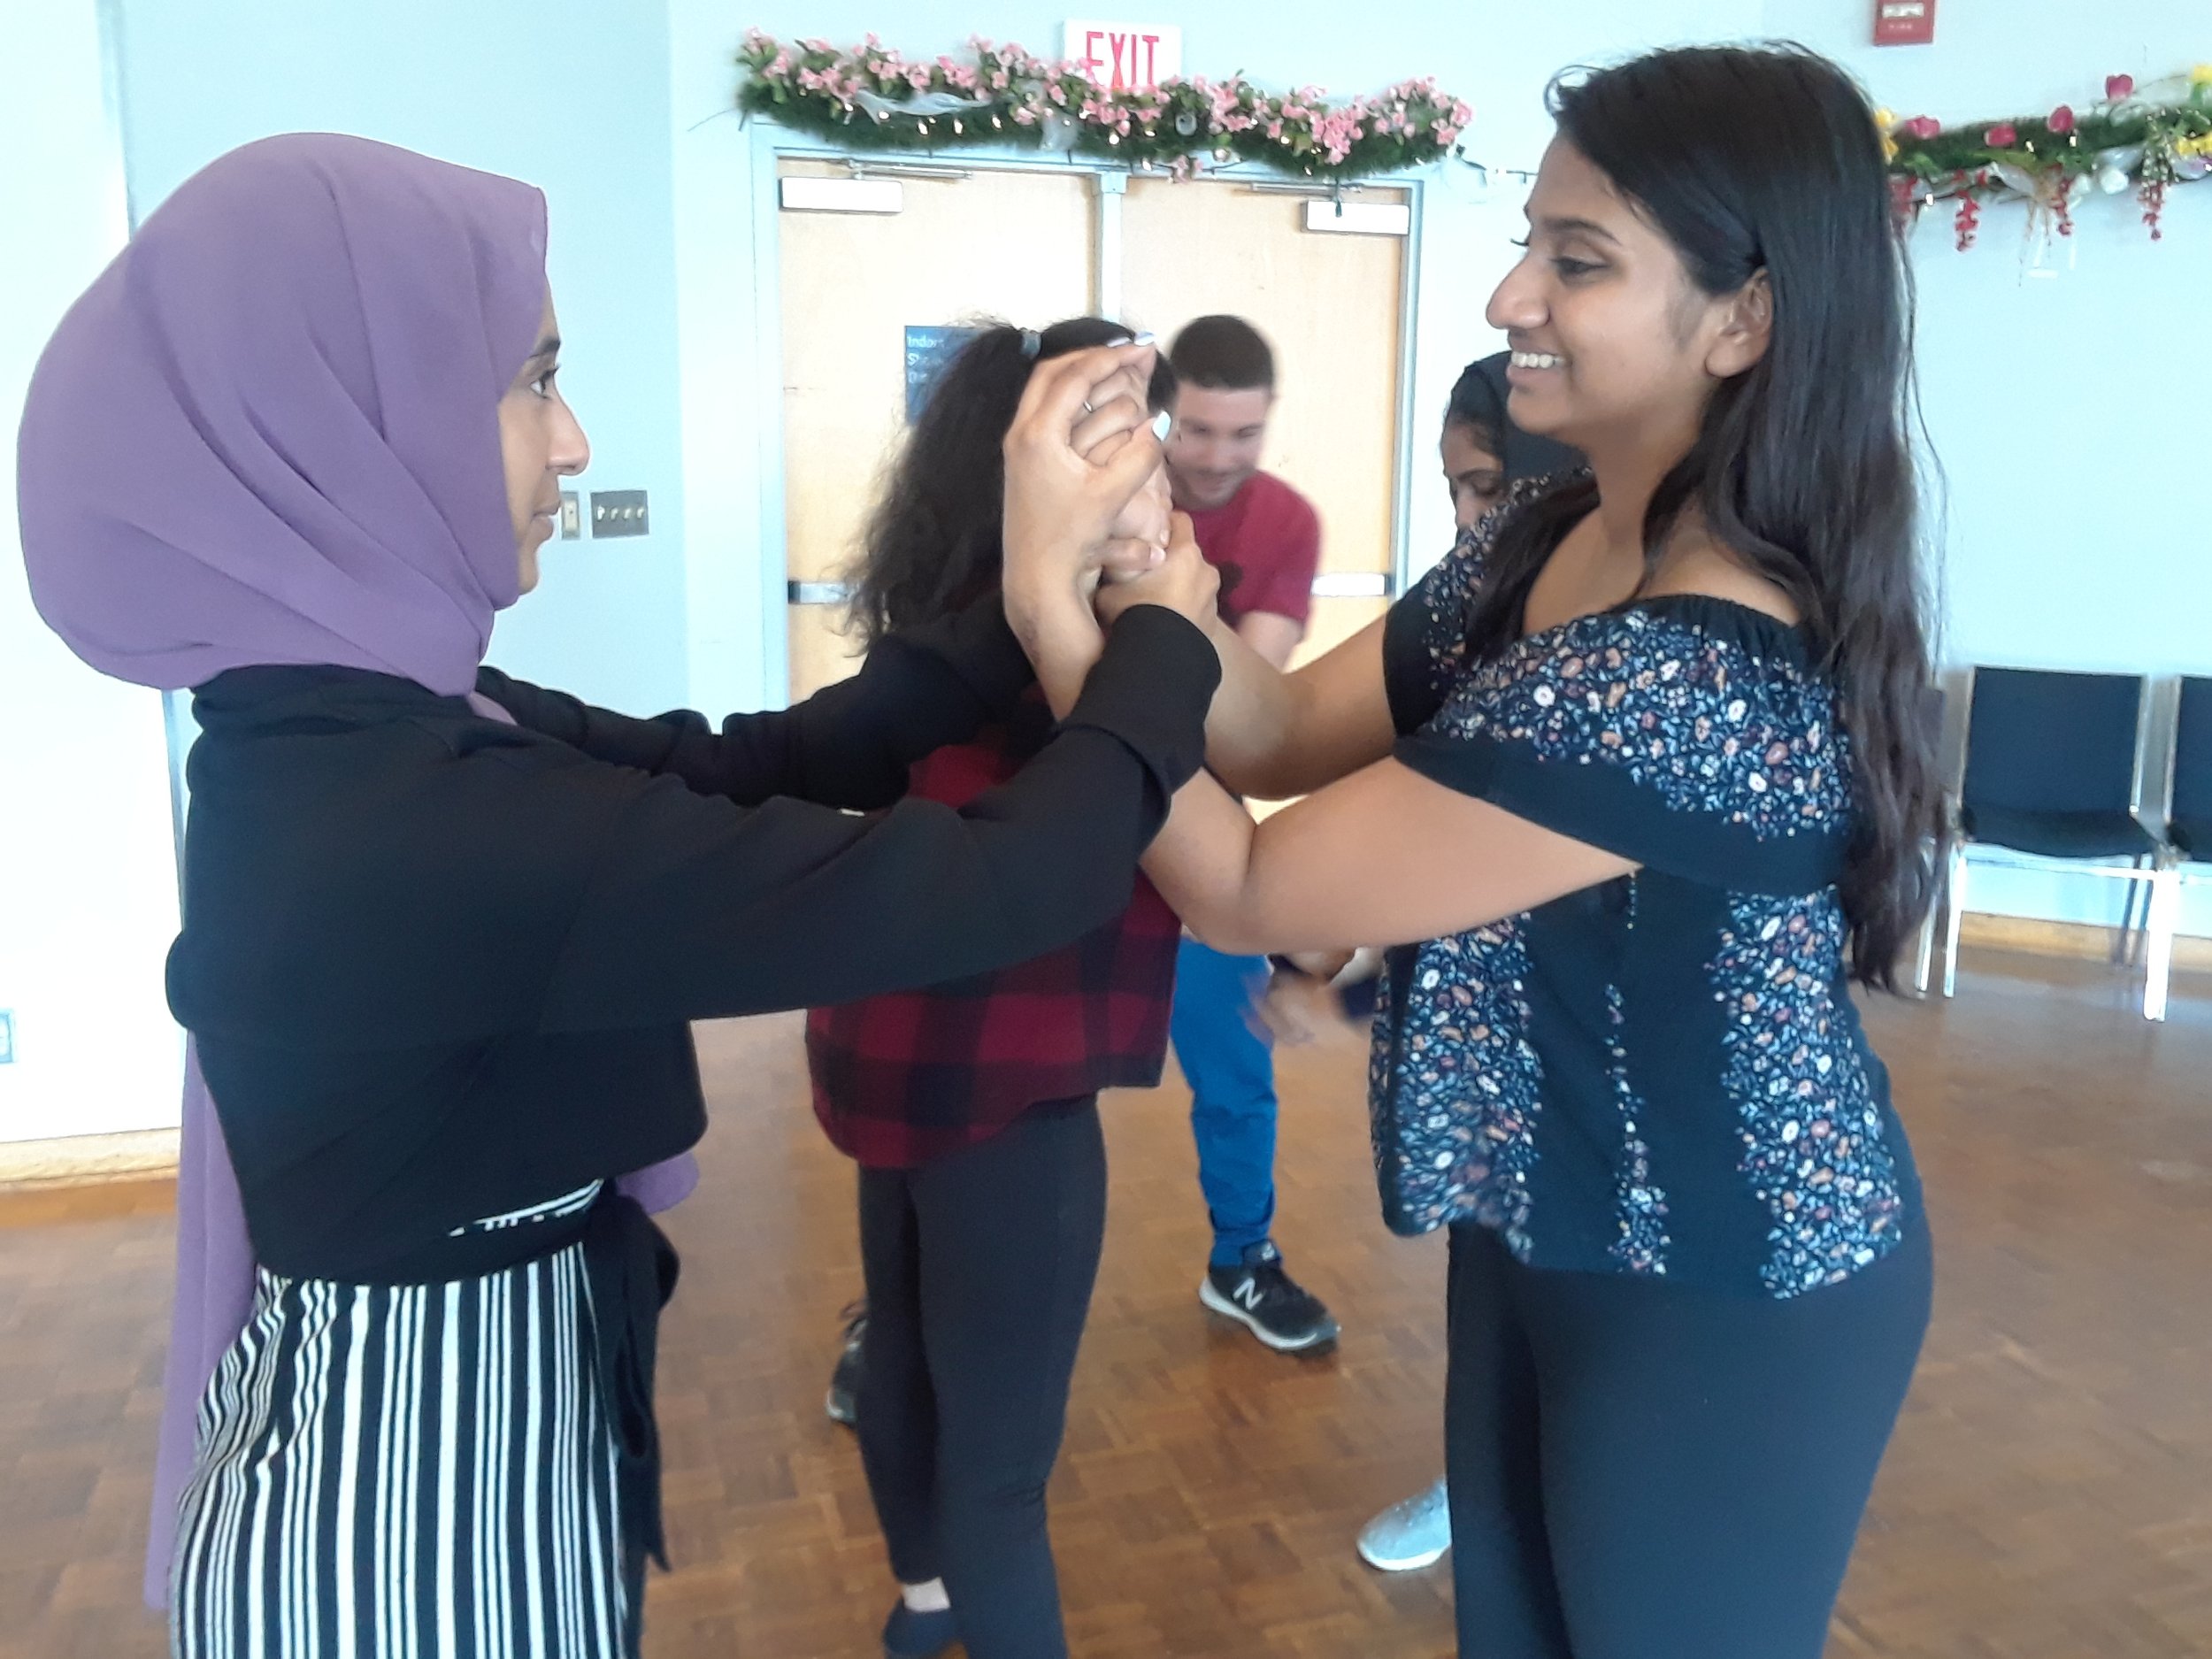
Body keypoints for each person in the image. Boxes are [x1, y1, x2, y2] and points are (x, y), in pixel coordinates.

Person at [16, 134, 1217, 1659]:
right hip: (406, 1534)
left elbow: (757, 761)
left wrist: (1037, 597)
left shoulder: (356, 730)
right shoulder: (427, 816)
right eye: (531, 381)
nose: (572, 442)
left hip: (449, 1443)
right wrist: (1162, 639)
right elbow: (991, 885)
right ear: (349, 422)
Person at [1004, 43, 1940, 1659]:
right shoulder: (1552, 533)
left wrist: (1044, 602)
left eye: (1578, 262)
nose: (1511, 292)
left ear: (1746, 317)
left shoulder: (1688, 672)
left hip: (1731, 1275)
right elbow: (1278, 732)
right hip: (1550, 1212)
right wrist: (1148, 559)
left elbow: (1242, 886)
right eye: (1533, 237)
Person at [803, 319, 1184, 1659]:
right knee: (1003, 1465)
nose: (1165, 476)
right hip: (1001, 1076)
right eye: (1137, 441)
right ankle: (970, 1613)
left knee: (902, 1348)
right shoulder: (1071, 647)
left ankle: (922, 1616)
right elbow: (1199, 827)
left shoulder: (939, 638)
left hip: (880, 1045)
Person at [1356, 351, 1586, 1575]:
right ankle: (1475, 1476)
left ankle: (1548, 1493)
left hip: (1581, 1052)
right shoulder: (1465, 604)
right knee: (1485, 1284)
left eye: (1489, 484)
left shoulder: (1634, 642)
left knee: (1572, 1309)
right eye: (1455, 489)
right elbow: (1341, 764)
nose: (1469, 519)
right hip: (1479, 1029)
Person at [1158, 315, 1339, 1354]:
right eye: (1196, 431)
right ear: (1163, 414)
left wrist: (1147, 589)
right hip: (1066, 820)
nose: (1218, 458)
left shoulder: (1284, 522)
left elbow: (1241, 701)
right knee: (1001, 1067)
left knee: (1233, 1074)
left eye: (1242, 436)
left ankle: (1242, 1259)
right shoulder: (1105, 494)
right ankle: (920, 1295)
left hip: (1198, 838)